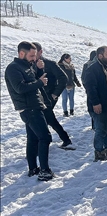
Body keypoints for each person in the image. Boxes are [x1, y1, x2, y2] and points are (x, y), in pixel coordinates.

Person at [5, 41, 54, 181]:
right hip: (29, 108)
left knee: (33, 139)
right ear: (21, 53)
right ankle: (44, 171)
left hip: (34, 105)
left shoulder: (26, 66)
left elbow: (32, 81)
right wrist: (39, 82)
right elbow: (20, 88)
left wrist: (38, 70)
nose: (34, 58)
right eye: (32, 55)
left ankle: (33, 168)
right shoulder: (13, 68)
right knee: (45, 137)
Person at [31, 42, 74, 150]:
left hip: (49, 97)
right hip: (36, 97)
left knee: (43, 119)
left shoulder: (50, 64)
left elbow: (63, 78)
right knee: (50, 119)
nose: (33, 55)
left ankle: (39, 146)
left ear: (40, 52)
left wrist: (55, 94)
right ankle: (65, 139)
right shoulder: (30, 64)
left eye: (35, 52)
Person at [83, 46, 107, 161]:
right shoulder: (93, 69)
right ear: (100, 56)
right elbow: (90, 88)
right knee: (100, 129)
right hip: (99, 105)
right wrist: (95, 103)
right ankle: (99, 151)